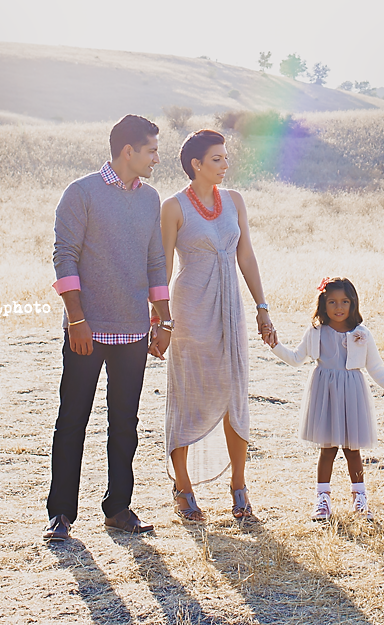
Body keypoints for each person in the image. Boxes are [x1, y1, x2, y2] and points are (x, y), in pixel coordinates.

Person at [42, 115, 172, 541]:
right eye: (151, 150)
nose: (157, 157)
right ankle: (60, 514)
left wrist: (163, 318)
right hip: (87, 330)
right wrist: (76, 320)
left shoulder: (150, 198)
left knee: (125, 422)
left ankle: (118, 508)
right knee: (72, 420)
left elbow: (156, 260)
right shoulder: (82, 193)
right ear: (128, 151)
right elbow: (65, 257)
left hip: (133, 330)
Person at [162, 129, 277, 522]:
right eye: (217, 159)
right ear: (196, 164)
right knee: (188, 390)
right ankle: (182, 486)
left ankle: (239, 487)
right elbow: (162, 266)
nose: (226, 165)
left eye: (226, 158)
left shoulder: (234, 201)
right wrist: (161, 318)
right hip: (191, 309)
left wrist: (262, 308)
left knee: (235, 391)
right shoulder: (173, 207)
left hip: (232, 307)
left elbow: (246, 255)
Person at [270, 277, 384, 520]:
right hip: (325, 394)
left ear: (353, 304)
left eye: (345, 301)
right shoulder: (316, 332)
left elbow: (376, 368)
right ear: (323, 304)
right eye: (332, 302)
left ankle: (359, 499)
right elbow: (297, 358)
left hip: (352, 394)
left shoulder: (361, 334)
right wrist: (275, 345)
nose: (339, 307)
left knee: (352, 450)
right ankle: (322, 499)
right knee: (327, 450)